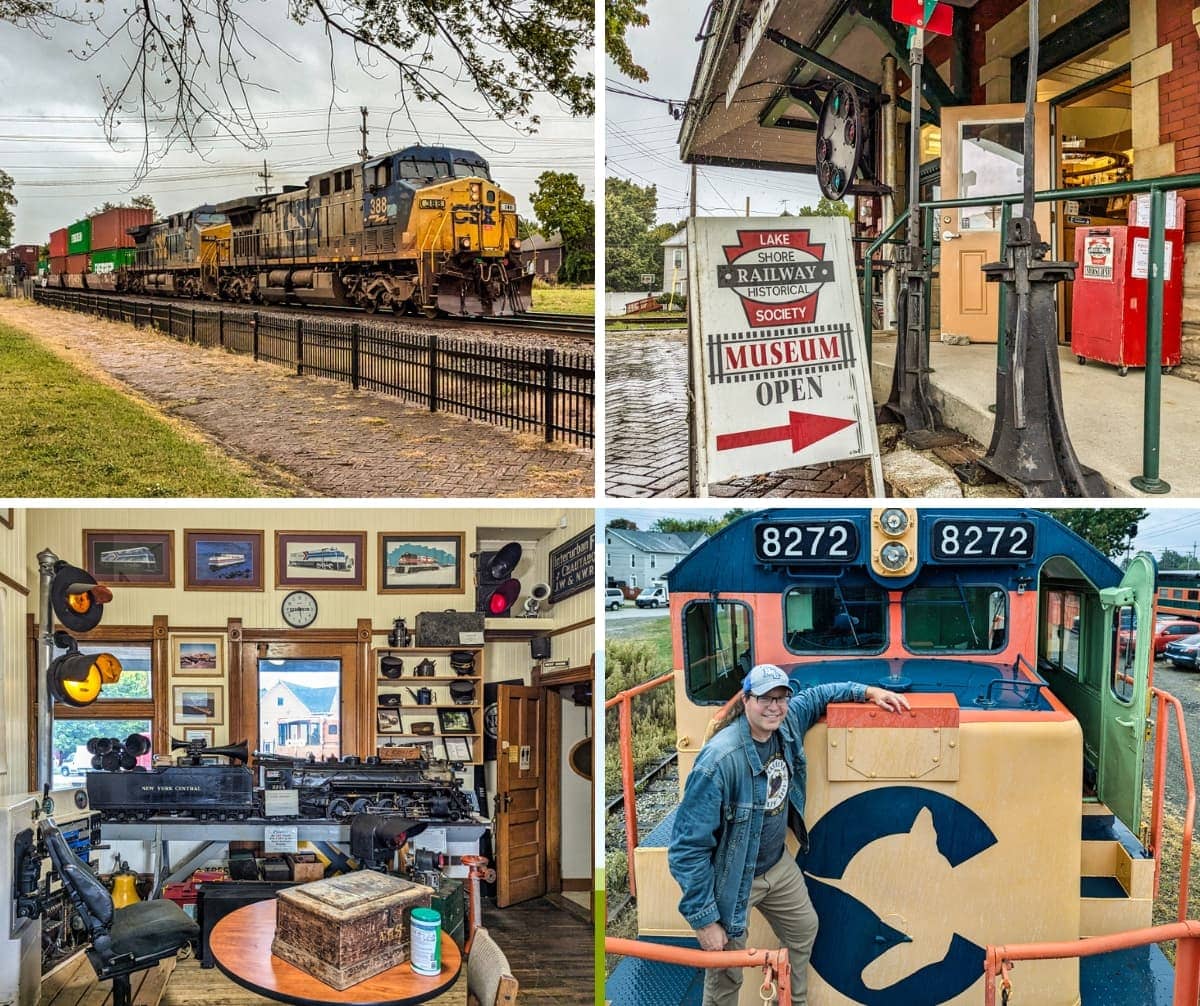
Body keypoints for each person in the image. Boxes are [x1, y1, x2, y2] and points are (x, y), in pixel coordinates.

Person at [669, 663, 911, 1006]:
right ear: (746, 701)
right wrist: (704, 920)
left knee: (803, 930)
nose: (774, 706)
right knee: (726, 968)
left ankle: (794, 1002)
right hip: (732, 877)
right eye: (765, 698)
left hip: (776, 865)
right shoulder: (719, 761)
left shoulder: (787, 724)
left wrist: (869, 692)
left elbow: (819, 695)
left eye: (781, 698)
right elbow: (686, 849)